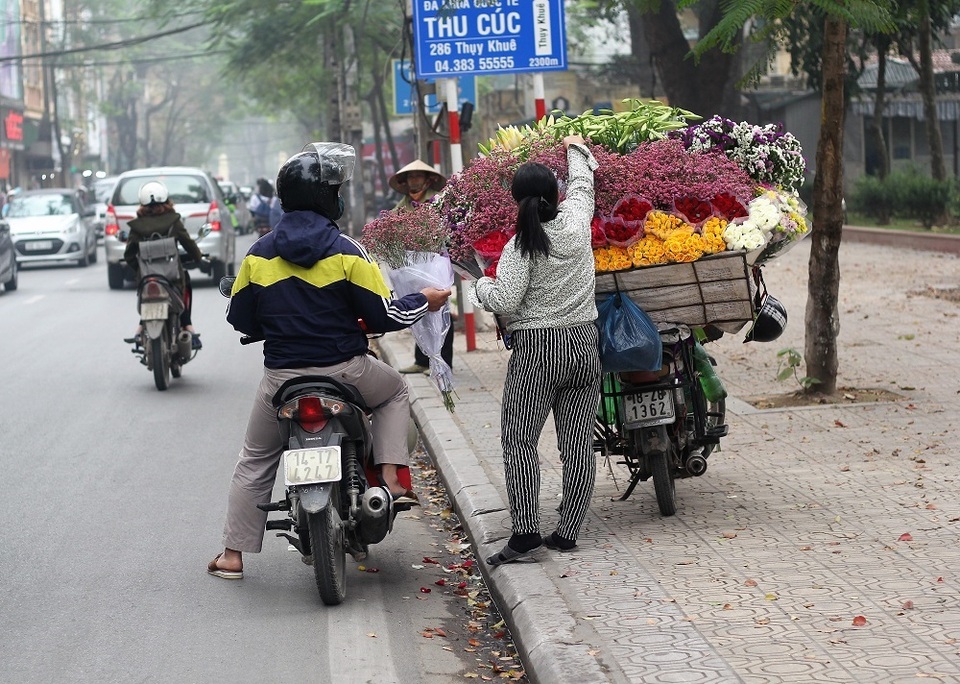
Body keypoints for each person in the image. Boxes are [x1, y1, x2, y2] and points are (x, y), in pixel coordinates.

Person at [207, 142, 451, 580]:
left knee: (256, 458)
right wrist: (425, 300)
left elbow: (239, 316)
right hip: (347, 372)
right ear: (326, 198)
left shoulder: (258, 254)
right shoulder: (347, 251)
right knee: (395, 389)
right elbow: (382, 314)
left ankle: (232, 554)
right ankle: (393, 482)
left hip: (281, 380)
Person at [469, 135, 601, 566]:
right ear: (555, 195)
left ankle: (526, 532)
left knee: (519, 438)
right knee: (578, 442)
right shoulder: (577, 224)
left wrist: (480, 286)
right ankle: (568, 532)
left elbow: (505, 301)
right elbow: (584, 188)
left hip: (539, 350)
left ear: (517, 201)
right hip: (583, 343)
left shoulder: (520, 245)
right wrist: (576, 149)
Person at [388, 159, 456, 374]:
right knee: (418, 307)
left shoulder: (437, 201)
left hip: (435, 261)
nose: (413, 181)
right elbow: (391, 223)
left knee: (441, 308)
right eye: (409, 177)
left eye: (417, 176)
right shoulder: (404, 204)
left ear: (428, 180)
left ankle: (444, 361)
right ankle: (422, 360)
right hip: (412, 264)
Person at [122, 181, 208, 349]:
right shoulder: (173, 221)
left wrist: (139, 269)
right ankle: (188, 326)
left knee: (147, 296)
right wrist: (198, 258)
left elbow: (129, 254)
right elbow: (188, 243)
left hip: (147, 277)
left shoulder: (137, 226)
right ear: (166, 200)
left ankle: (140, 328)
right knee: (184, 285)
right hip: (172, 275)